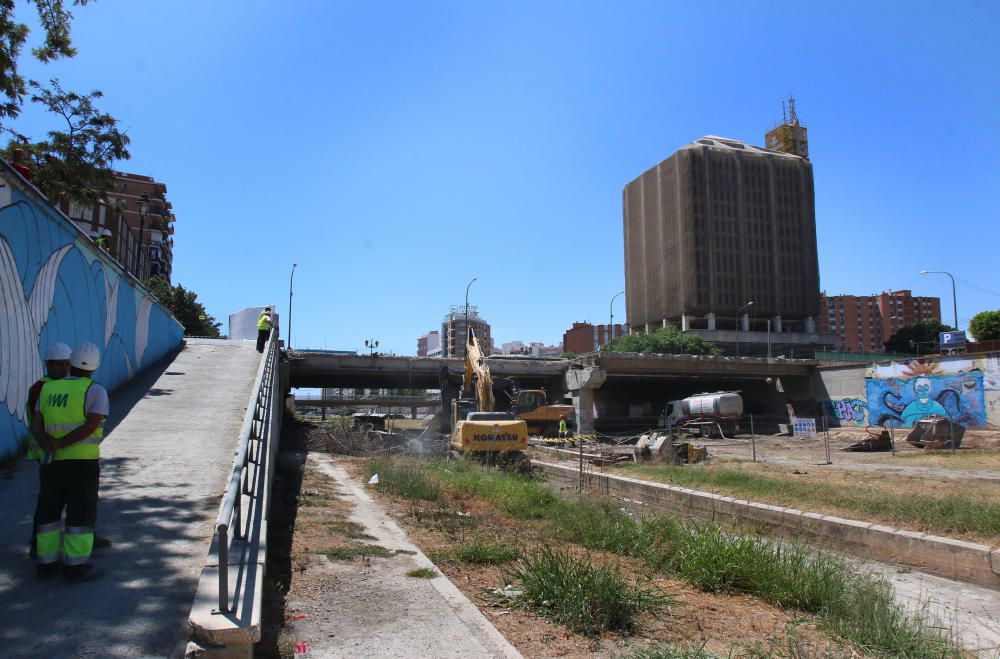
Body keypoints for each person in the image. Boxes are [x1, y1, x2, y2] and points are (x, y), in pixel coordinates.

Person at [31, 342, 109, 583]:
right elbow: (90, 426)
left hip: (52, 462)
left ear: (71, 361)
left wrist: (48, 444)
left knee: (49, 512)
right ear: (95, 367)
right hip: (82, 464)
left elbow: (36, 423)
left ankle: (46, 563)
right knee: (80, 513)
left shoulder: (48, 389)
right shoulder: (95, 391)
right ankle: (75, 567)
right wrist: (62, 443)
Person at [25, 342, 72, 558]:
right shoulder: (40, 388)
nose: (64, 369)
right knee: (48, 501)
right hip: (48, 453)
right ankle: (38, 544)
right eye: (59, 365)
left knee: (77, 497)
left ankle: (82, 535)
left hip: (67, 451)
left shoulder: (67, 385)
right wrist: (49, 447)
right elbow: (38, 423)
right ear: (48, 365)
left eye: (66, 365)